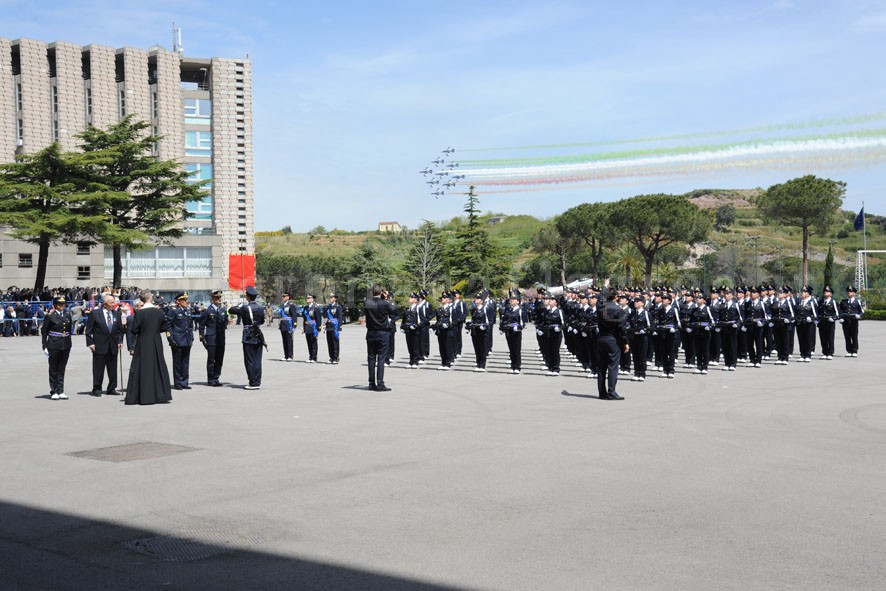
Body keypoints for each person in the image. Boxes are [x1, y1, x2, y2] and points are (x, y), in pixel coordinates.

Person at [125, 290, 173, 405]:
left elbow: (134, 329)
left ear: (142, 300)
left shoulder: (140, 313)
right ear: (150, 298)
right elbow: (164, 327)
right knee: (157, 365)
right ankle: (161, 394)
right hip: (156, 341)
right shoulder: (159, 312)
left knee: (142, 367)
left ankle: (143, 395)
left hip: (143, 341)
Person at [84, 293, 124, 396]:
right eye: (111, 302)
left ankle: (111, 388)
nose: (113, 304)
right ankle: (97, 388)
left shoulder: (117, 314)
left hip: (113, 345)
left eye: (114, 302)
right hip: (99, 345)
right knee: (98, 369)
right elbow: (89, 330)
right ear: (105, 304)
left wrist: (120, 341)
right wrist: (91, 343)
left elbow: (120, 330)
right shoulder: (95, 313)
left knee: (112, 370)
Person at [228, 286, 266, 389]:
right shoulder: (260, 307)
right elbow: (262, 321)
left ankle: (252, 382)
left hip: (248, 335)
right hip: (258, 334)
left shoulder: (245, 308)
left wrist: (239, 305)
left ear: (247, 297)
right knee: (257, 360)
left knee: (249, 360)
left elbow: (231, 310)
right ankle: (257, 381)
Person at [596, 286, 628, 400]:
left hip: (601, 338)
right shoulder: (618, 310)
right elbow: (622, 328)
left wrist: (605, 286)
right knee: (613, 366)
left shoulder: (599, 307)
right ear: (615, 297)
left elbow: (600, 297)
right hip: (612, 339)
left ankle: (602, 392)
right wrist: (625, 342)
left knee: (601, 367)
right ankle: (611, 391)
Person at [41, 296, 73, 400]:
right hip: (54, 344)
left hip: (65, 344)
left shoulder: (68, 315)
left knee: (62, 368)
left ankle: (61, 390)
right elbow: (44, 331)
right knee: (53, 368)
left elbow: (69, 330)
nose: (62, 306)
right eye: (60, 304)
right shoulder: (50, 316)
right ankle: (54, 390)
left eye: (63, 304)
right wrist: (44, 346)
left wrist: (69, 343)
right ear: (55, 305)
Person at [364, 285, 393, 391]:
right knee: (381, 358)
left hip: (371, 333)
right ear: (381, 292)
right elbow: (394, 310)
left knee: (371, 358)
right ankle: (380, 383)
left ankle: (371, 383)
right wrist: (387, 299)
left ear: (372, 293)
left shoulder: (367, 303)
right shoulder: (384, 303)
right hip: (382, 333)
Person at [166, 292, 194, 390]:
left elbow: (190, 325)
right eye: (183, 300)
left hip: (187, 340)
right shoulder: (173, 311)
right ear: (178, 301)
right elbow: (168, 326)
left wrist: (191, 337)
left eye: (186, 300)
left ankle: (184, 382)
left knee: (185, 362)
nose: (185, 302)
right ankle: (178, 383)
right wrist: (170, 338)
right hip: (177, 340)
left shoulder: (188, 311)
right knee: (177, 363)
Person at [199, 290, 227, 386]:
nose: (219, 299)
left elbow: (224, 325)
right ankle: (210, 379)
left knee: (219, 359)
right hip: (211, 339)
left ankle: (216, 377)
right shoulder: (207, 311)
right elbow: (201, 325)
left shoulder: (223, 311)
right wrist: (202, 337)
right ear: (213, 299)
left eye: (220, 298)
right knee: (211, 360)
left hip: (221, 339)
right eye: (216, 298)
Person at [499, 289, 527, 374]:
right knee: (511, 349)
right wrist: (502, 328)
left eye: (513, 299)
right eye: (511, 299)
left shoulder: (520, 310)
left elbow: (522, 323)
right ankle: (512, 365)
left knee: (516, 349)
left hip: (516, 332)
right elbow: (504, 320)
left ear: (518, 301)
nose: (511, 300)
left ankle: (517, 366)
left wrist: (518, 328)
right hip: (508, 331)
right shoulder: (508, 310)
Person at [465, 292, 490, 372]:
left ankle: (482, 365)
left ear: (482, 301)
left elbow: (489, 321)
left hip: (482, 332)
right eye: (476, 298)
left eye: (478, 298)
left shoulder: (485, 309)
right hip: (475, 331)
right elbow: (473, 320)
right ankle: (478, 363)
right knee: (477, 348)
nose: (476, 300)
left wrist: (484, 326)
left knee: (482, 348)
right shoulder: (474, 310)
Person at [839, 285, 864, 357]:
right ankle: (849, 350)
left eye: (850, 291)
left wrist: (859, 315)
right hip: (845, 321)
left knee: (854, 336)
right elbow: (840, 311)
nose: (848, 293)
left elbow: (862, 311)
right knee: (847, 336)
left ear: (854, 293)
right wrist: (841, 317)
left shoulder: (857, 301)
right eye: (848, 291)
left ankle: (854, 350)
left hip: (854, 321)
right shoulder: (844, 301)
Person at [818, 286, 839, 360]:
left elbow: (837, 313)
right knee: (823, 338)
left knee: (830, 337)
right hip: (822, 322)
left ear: (831, 294)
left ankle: (830, 353)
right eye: (825, 291)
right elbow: (818, 312)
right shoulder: (820, 302)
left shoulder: (833, 302)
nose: (825, 292)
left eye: (827, 291)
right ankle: (825, 352)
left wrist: (833, 318)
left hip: (830, 322)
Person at [401, 292, 421, 368]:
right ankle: (411, 360)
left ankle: (415, 361)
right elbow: (404, 319)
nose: (409, 299)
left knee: (415, 346)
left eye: (411, 297)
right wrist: (402, 327)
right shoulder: (408, 308)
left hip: (415, 330)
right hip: (408, 330)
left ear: (415, 300)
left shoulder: (418, 308)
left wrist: (415, 325)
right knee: (410, 346)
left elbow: (420, 320)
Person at [324, 292, 344, 364]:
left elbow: (340, 318)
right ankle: (331, 357)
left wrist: (339, 328)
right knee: (329, 343)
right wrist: (324, 308)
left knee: (335, 343)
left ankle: (336, 357)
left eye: (332, 297)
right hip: (329, 326)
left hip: (334, 326)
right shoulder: (328, 307)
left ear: (335, 298)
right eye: (330, 297)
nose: (330, 298)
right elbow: (324, 316)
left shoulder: (338, 307)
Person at [301, 294, 321, 363]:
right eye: (307, 298)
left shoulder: (316, 308)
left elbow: (318, 319)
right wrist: (303, 328)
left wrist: (319, 328)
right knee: (309, 342)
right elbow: (304, 319)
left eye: (309, 298)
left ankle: (314, 357)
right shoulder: (305, 308)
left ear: (312, 299)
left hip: (314, 327)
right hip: (307, 327)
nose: (307, 299)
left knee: (313, 342)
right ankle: (310, 356)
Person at [278, 292, 298, 362]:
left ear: (288, 297)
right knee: (284, 341)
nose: (283, 297)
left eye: (284, 296)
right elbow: (280, 316)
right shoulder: (281, 305)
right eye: (282, 296)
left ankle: (290, 355)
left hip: (289, 325)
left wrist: (294, 324)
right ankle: (285, 355)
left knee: (289, 341)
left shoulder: (291, 305)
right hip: (283, 324)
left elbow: (294, 315)